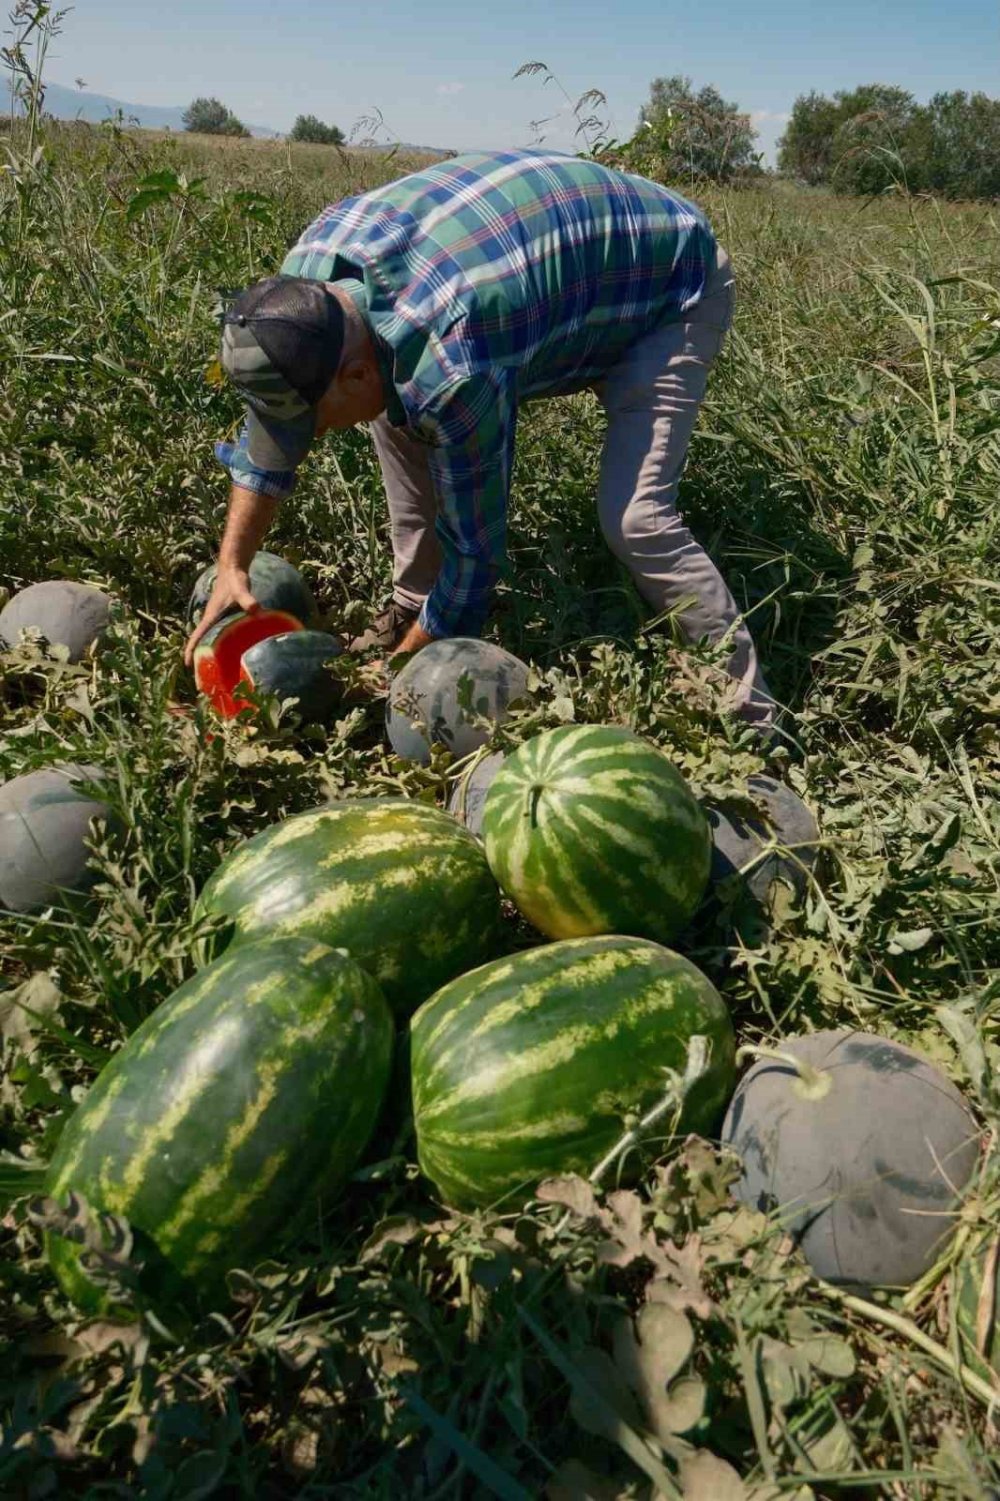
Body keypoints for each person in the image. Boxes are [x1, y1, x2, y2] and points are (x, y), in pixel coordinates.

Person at [183, 148, 774, 729]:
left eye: (314, 419)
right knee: (396, 412)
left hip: (667, 282)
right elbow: (269, 438)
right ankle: (412, 600)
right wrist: (233, 564)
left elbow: (475, 558)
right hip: (549, 273)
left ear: (356, 372)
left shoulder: (453, 365)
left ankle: (754, 716)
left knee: (637, 518)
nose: (314, 434)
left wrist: (397, 675)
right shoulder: (302, 291)